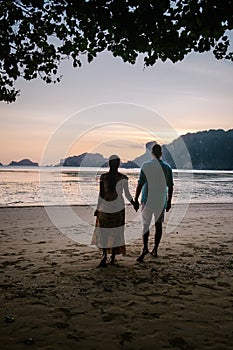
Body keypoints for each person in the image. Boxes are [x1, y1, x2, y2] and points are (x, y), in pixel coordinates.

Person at [92, 155, 138, 267]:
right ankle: (112, 256)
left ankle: (104, 255)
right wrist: (133, 203)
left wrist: (98, 209)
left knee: (103, 231)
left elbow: (101, 195)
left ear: (109, 164)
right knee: (116, 231)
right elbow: (127, 194)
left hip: (106, 206)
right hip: (118, 208)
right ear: (118, 164)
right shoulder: (123, 178)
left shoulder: (103, 177)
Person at [134, 143, 174, 262]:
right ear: (161, 154)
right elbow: (170, 186)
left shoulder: (146, 166)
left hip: (147, 200)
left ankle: (145, 248)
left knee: (146, 225)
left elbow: (140, 184)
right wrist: (169, 201)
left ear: (152, 153)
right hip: (160, 201)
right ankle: (155, 249)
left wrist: (136, 199)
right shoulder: (167, 168)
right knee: (158, 225)